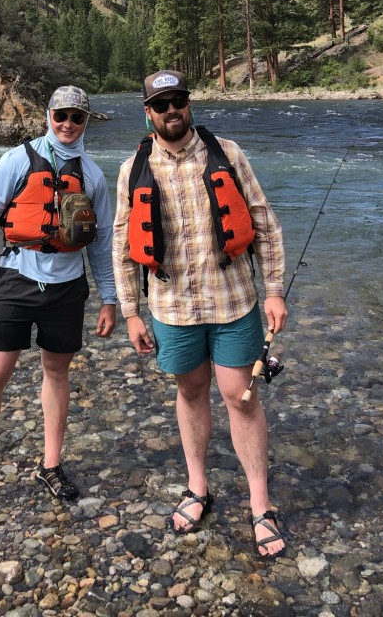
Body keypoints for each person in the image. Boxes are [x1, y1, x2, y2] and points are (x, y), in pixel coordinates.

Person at [112, 70, 288, 558]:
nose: (172, 110)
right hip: (170, 309)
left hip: (234, 301)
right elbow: (122, 247)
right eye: (161, 103)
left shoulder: (228, 154)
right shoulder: (133, 169)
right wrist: (130, 312)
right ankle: (198, 488)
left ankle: (260, 503)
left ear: (188, 104)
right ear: (147, 111)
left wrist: (274, 292)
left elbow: (266, 226)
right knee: (190, 392)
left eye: (179, 101)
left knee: (242, 396)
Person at [0, 86, 117, 517]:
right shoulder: (18, 159)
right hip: (16, 279)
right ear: (48, 115)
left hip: (68, 288)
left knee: (56, 372)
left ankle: (50, 465)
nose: (68, 124)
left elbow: (102, 241)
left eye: (77, 117)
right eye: (61, 116)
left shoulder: (92, 175)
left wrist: (110, 299)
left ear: (86, 120)